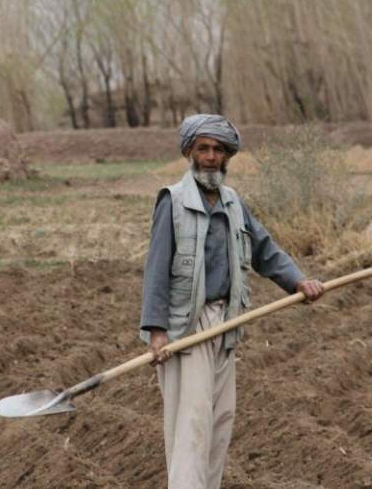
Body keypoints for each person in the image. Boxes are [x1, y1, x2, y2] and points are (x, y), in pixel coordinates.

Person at [139, 114, 325, 489]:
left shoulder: (233, 203)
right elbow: (156, 269)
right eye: (203, 148)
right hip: (185, 329)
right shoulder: (172, 201)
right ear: (190, 152)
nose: (210, 157)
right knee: (191, 427)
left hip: (226, 324)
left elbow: (265, 250)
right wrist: (157, 332)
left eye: (218, 150)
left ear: (227, 157)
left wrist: (298, 282)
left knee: (219, 422)